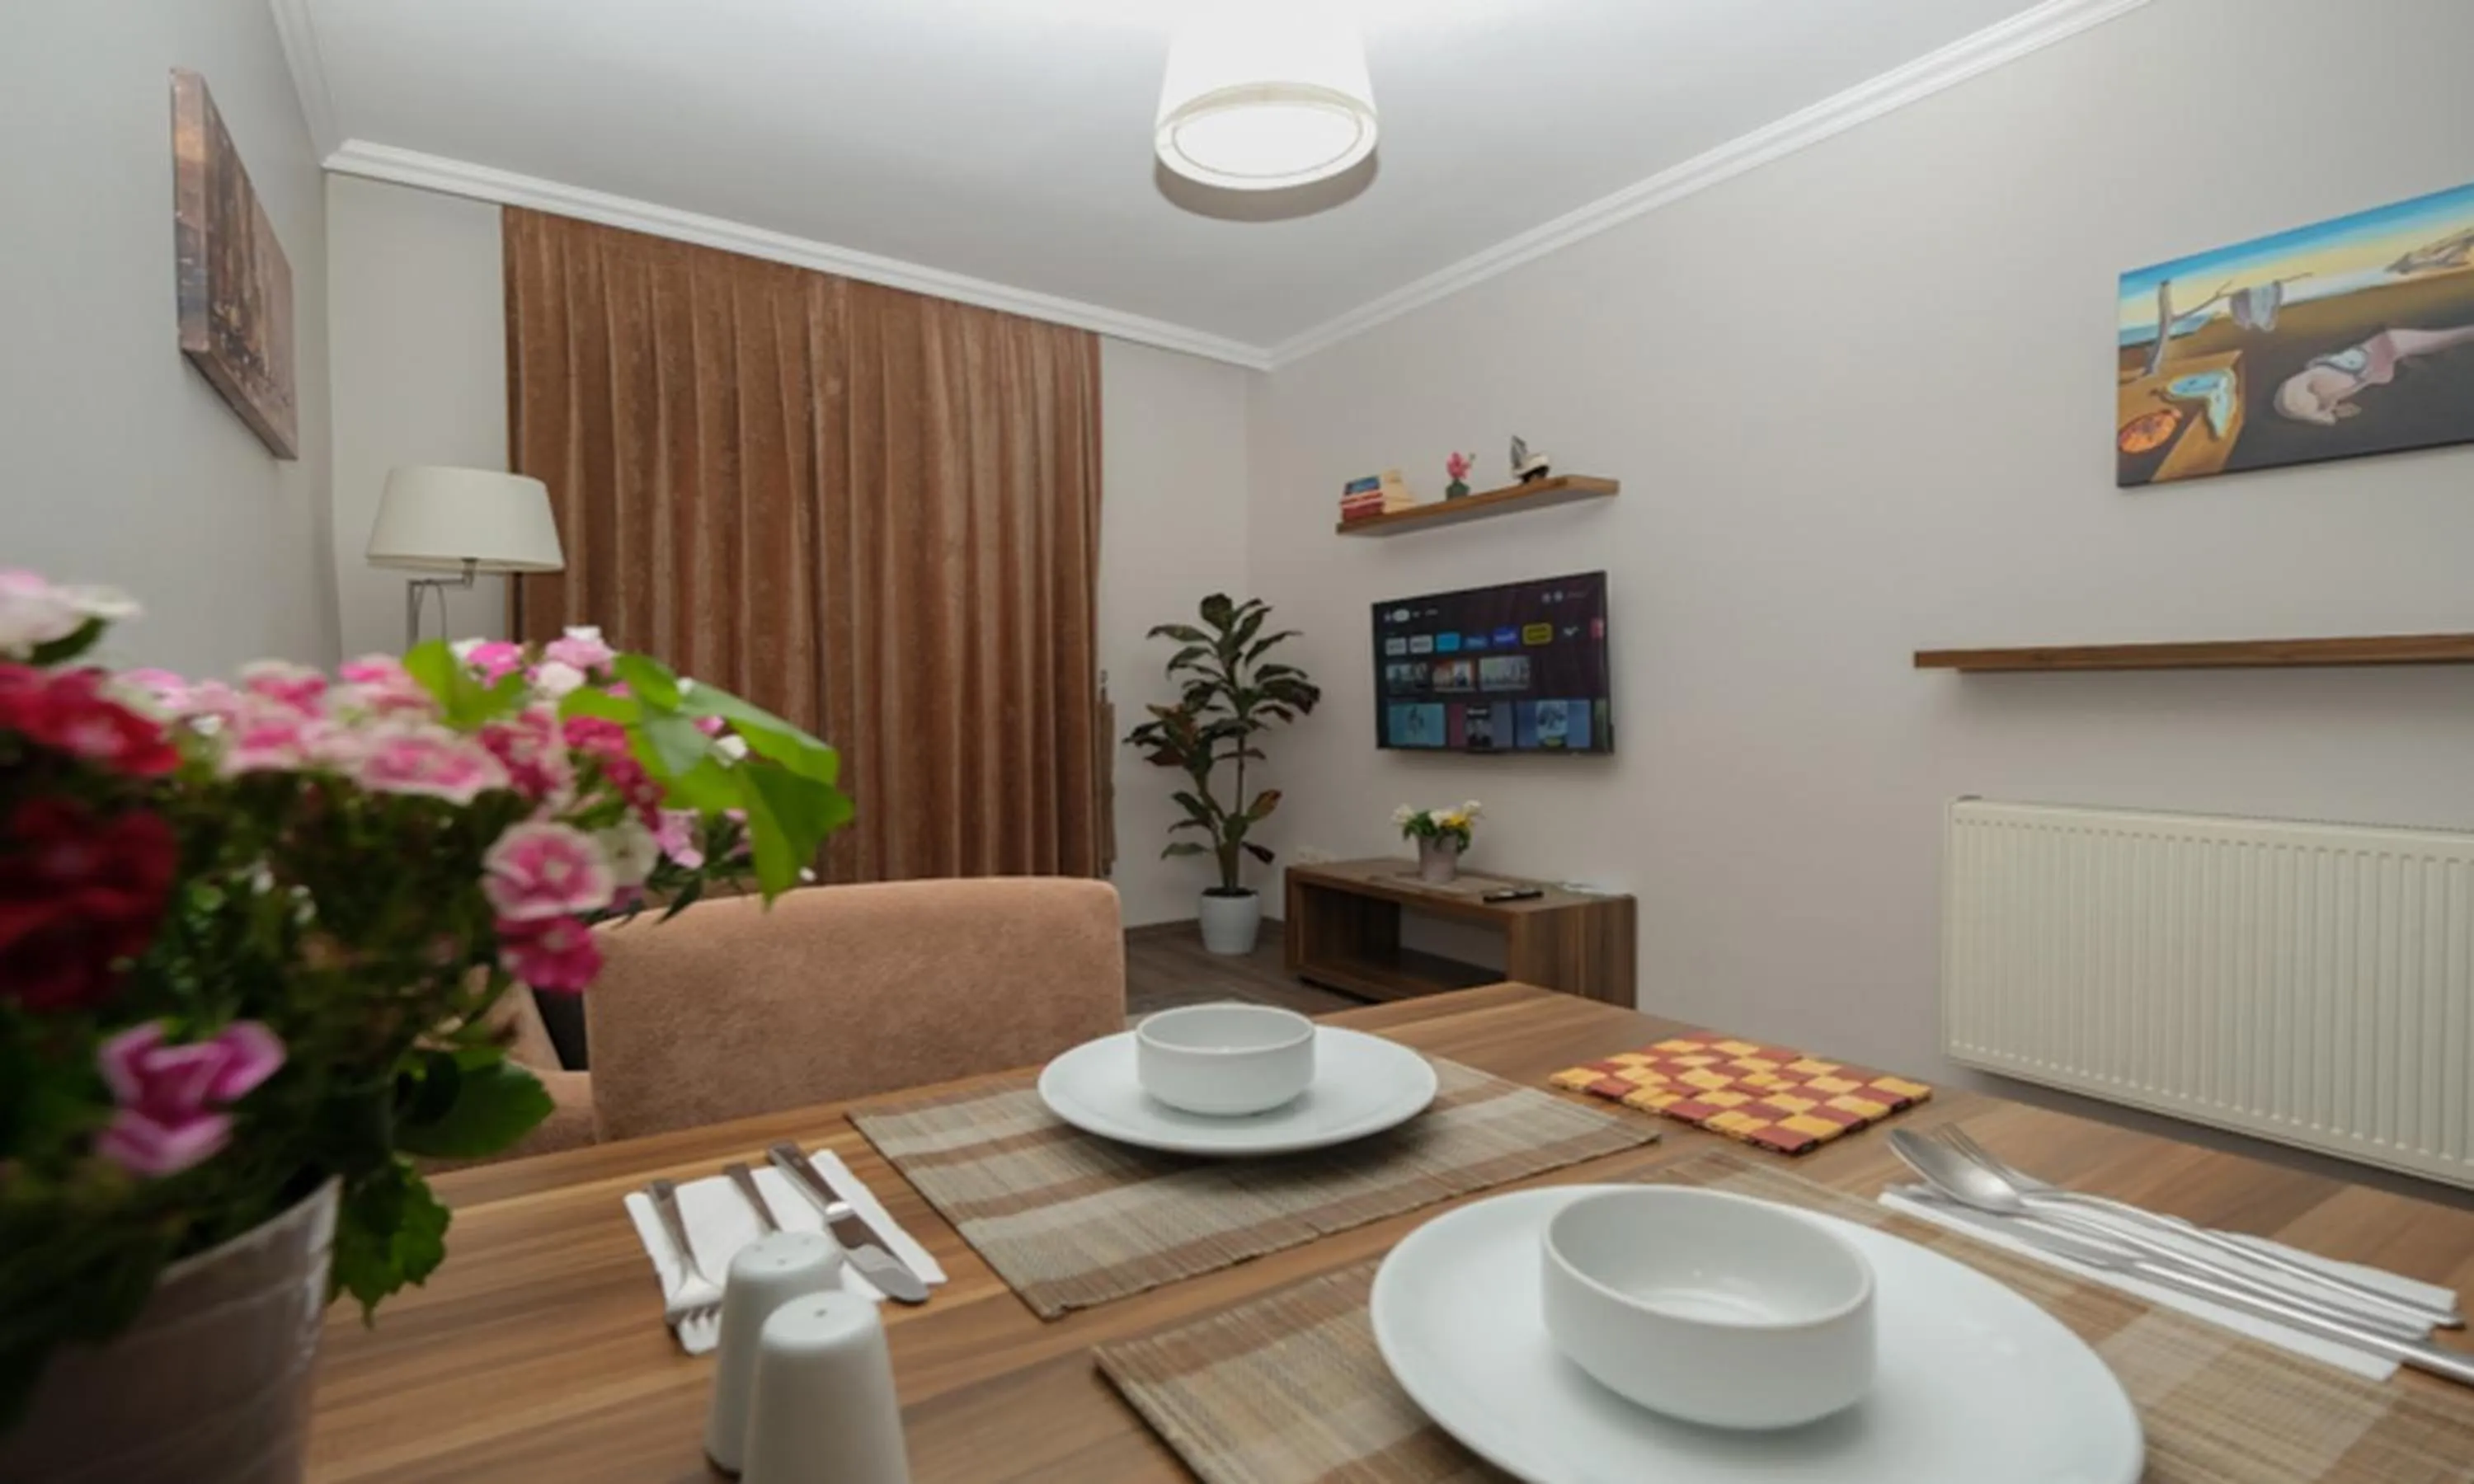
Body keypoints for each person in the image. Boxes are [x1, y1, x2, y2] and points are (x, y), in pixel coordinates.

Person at [2274, 325, 2474, 425]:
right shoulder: (2318, 386)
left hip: (2372, 359)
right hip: (2372, 361)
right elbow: (2326, 413)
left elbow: (2326, 414)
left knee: (2447, 338)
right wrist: (2327, 409)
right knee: (2446, 338)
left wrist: (2327, 409)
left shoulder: (2316, 381)